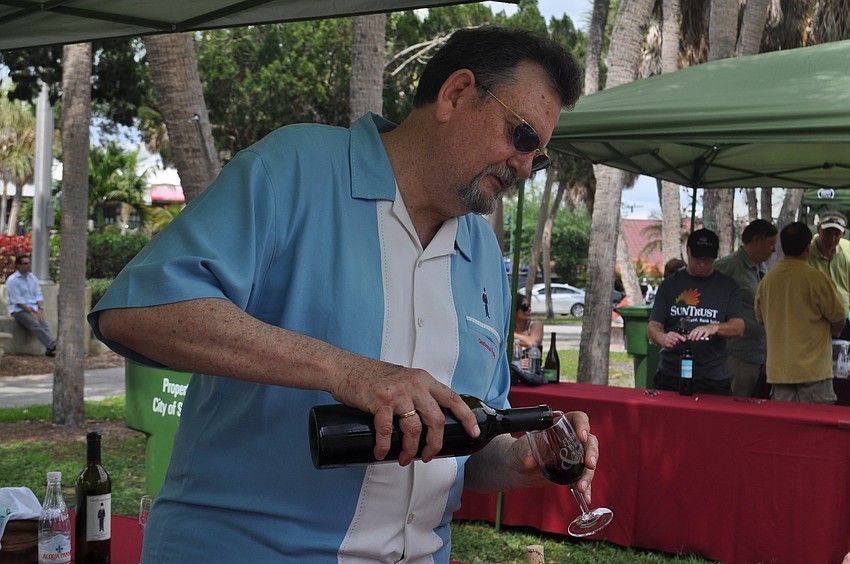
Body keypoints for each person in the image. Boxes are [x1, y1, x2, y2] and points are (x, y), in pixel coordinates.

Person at [88, 27, 600, 562]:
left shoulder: (484, 255)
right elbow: (138, 312)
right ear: (456, 94)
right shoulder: (293, 169)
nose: (525, 167)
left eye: (538, 157)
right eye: (521, 137)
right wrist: (345, 371)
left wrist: (523, 458)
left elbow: (466, 442)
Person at [755, 222, 846, 404]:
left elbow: (761, 319)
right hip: (813, 373)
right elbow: (839, 319)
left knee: (783, 429)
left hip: (779, 373)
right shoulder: (818, 279)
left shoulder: (767, 281)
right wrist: (832, 331)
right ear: (808, 248)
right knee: (815, 430)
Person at [647, 229, 744, 395]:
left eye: (708, 259)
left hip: (713, 377)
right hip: (671, 374)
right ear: (688, 252)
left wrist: (715, 328)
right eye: (697, 258)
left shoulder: (727, 286)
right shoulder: (669, 286)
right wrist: (663, 337)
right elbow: (653, 326)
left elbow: (739, 327)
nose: (702, 264)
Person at [714, 219, 778, 398]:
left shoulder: (762, 267)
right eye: (770, 244)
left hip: (761, 354)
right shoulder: (728, 267)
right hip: (737, 355)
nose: (773, 249)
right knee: (735, 409)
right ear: (756, 241)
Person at [807, 210, 850, 340]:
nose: (832, 239)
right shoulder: (806, 254)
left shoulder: (847, 251)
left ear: (843, 233)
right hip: (815, 321)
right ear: (819, 230)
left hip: (843, 320)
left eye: (836, 234)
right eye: (827, 233)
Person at [4, 254, 57, 357]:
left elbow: (38, 294)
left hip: (35, 308)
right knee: (34, 324)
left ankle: (50, 350)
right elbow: (18, 301)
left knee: (45, 325)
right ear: (18, 265)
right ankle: (53, 345)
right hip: (19, 310)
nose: (27, 266)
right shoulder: (12, 280)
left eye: (28, 263)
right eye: (24, 264)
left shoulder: (32, 278)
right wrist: (31, 312)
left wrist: (40, 310)